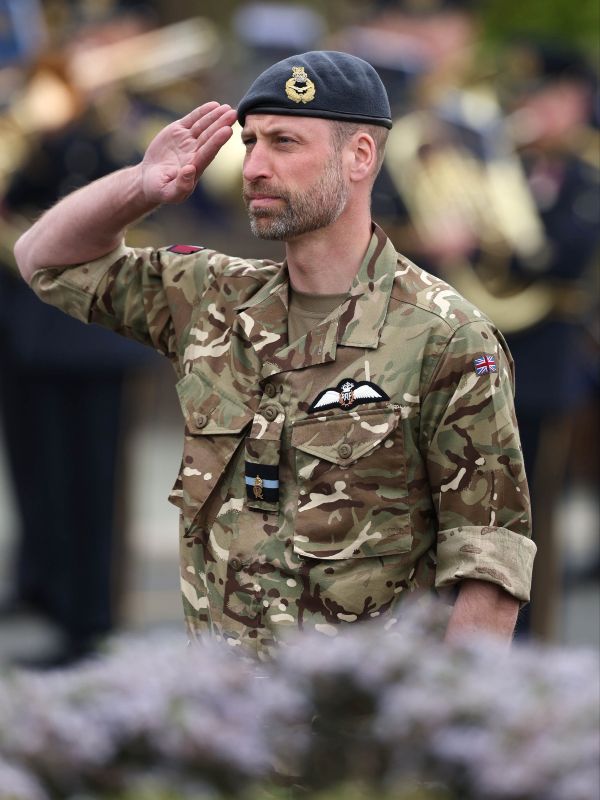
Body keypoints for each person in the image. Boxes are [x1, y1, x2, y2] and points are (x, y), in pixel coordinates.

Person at [14, 51, 536, 657]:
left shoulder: (446, 337)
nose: (254, 166)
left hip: (358, 722)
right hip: (225, 714)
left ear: (360, 155)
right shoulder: (213, 299)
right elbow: (44, 261)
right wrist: (140, 185)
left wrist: (442, 725)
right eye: (250, 142)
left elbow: (489, 558)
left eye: (284, 142)